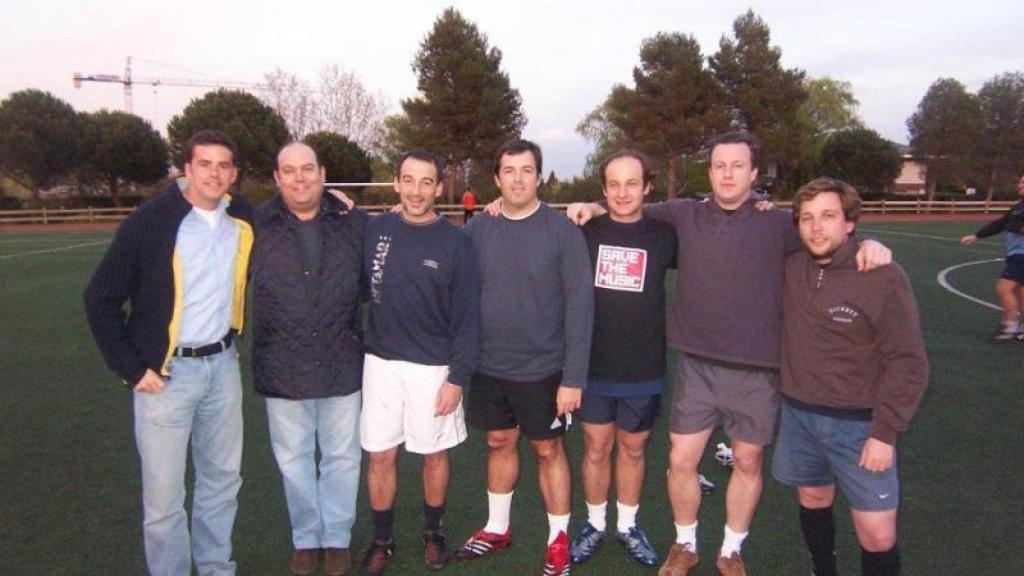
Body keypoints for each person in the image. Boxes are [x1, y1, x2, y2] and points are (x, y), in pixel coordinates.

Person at [567, 131, 891, 576]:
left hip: (757, 370)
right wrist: (590, 205)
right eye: (719, 165)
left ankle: (731, 549)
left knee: (747, 461)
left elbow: (826, 233)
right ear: (710, 171)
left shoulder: (778, 223)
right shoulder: (684, 214)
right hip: (696, 366)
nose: (727, 174)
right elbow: (627, 207)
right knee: (680, 460)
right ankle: (685, 544)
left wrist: (868, 242)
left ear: (754, 173)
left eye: (737, 166)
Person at [84, 129, 254, 576]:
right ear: (187, 168)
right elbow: (99, 297)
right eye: (205, 164)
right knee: (163, 499)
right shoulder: (151, 221)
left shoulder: (242, 218)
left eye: (223, 165)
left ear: (234, 173)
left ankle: (216, 568)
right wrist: (131, 367)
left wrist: (337, 200)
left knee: (222, 482)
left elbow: (296, 206)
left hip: (223, 367)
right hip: (167, 375)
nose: (214, 174)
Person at [773, 177, 928, 576]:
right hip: (798, 416)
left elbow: (909, 361)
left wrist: (884, 433)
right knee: (812, 499)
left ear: (849, 222)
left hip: (860, 427)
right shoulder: (792, 266)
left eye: (828, 216)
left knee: (877, 533)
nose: (816, 227)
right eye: (807, 218)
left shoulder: (881, 276)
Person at [455, 139, 594, 576]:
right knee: (498, 442)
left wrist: (573, 378)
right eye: (509, 171)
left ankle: (558, 541)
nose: (517, 179)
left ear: (539, 177)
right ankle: (498, 527)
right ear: (497, 179)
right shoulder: (479, 229)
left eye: (526, 170)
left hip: (543, 369)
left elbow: (580, 307)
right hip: (489, 366)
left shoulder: (562, 232)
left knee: (548, 449)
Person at [359, 150, 481, 576]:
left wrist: (457, 378)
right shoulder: (375, 229)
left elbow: (468, 317)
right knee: (380, 456)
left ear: (439, 188)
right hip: (380, 364)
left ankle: (433, 532)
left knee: (433, 454)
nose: (416, 190)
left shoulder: (456, 243)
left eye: (426, 182)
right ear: (396, 183)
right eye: (408, 180)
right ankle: (382, 540)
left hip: (432, 369)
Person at [250, 142, 367, 576]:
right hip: (282, 363)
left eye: (307, 169)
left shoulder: (355, 222)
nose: (299, 178)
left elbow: (401, 228)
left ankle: (336, 538)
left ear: (323, 174)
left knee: (341, 457)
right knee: (293, 460)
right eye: (289, 170)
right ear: (277, 177)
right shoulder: (254, 224)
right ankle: (305, 538)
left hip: (340, 358)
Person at [568, 150, 675, 568]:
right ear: (603, 189)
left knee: (632, 448)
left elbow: (719, 232)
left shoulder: (665, 235)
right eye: (613, 184)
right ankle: (595, 523)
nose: (623, 192)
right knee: (596, 447)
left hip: (643, 367)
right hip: (593, 365)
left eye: (632, 183)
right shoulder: (584, 231)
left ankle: (627, 525)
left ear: (647, 186)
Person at [959, 174, 1024, 339]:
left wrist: (1012, 224)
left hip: (1021, 255)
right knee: (1019, 291)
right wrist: (977, 235)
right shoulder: (1019, 206)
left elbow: (1013, 226)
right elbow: (1001, 223)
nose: (1019, 185)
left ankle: (1009, 326)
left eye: (1023, 182)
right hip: (1015, 254)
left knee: (1004, 288)